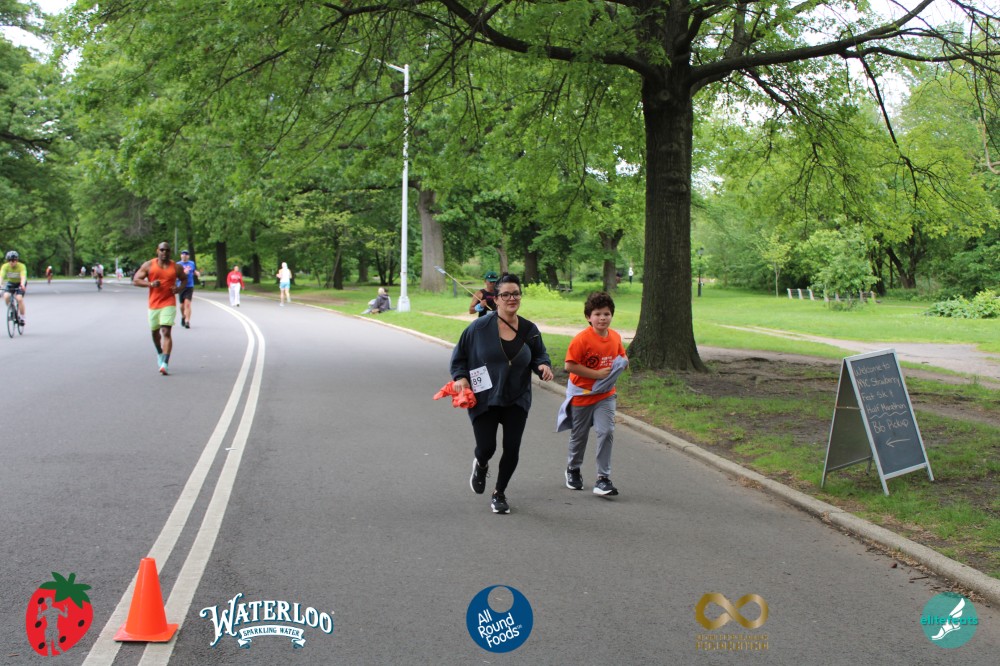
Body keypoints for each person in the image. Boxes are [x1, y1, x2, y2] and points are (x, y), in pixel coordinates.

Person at [450, 273, 554, 514]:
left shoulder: (529, 329)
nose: (511, 298)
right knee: (487, 447)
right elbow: (459, 358)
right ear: (495, 299)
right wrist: (461, 378)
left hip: (517, 396)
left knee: (512, 447)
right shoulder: (478, 328)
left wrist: (543, 366)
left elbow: (540, 354)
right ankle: (481, 464)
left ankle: (499, 493)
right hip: (485, 396)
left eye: (515, 294)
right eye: (505, 294)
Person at [560, 291, 629, 497]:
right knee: (579, 436)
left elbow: (622, 356)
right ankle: (573, 469)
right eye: (597, 314)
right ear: (588, 317)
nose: (602, 318)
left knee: (606, 431)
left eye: (606, 314)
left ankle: (603, 478)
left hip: (605, 395)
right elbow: (569, 366)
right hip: (582, 395)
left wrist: (623, 364)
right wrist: (596, 374)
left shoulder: (615, 337)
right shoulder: (581, 340)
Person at [132, 242, 186, 375]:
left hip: (169, 303)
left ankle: (165, 364)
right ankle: (160, 353)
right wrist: (150, 284)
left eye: (167, 250)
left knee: (166, 332)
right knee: (155, 332)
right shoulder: (149, 265)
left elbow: (184, 279)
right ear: (157, 251)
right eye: (162, 250)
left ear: (170, 252)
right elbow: (136, 280)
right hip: (154, 304)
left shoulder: (176, 267)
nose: (164, 252)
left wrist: (178, 288)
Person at [1, 251, 27, 326]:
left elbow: (23, 276)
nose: (11, 262)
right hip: (11, 283)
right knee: (6, 296)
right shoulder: (5, 266)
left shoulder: (21, 266)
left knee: (19, 298)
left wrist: (22, 284)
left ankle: (22, 317)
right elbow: (1, 276)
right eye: (9, 260)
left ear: (16, 260)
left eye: (13, 260)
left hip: (20, 283)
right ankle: (12, 308)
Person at [176, 250, 201, 328]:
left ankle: (187, 321)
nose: (184, 256)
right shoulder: (177, 264)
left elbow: (193, 271)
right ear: (181, 256)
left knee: (187, 304)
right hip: (181, 286)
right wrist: (183, 273)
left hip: (189, 286)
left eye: (186, 254)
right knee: (181, 305)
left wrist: (196, 273)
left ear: (188, 256)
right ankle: (183, 316)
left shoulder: (192, 263)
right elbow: (175, 275)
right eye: (183, 254)